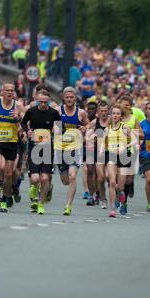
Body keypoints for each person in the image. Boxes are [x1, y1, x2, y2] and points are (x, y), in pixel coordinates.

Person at [0, 82, 26, 213]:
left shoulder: (18, 105)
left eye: (12, 91)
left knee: (8, 174)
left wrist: (18, 118)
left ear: (14, 92)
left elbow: (26, 122)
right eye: (7, 90)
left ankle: (5, 199)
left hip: (11, 142)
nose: (9, 93)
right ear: (2, 91)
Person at [21, 89, 61, 215]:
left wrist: (57, 129)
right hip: (34, 147)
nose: (43, 104)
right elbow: (23, 123)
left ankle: (41, 204)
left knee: (44, 178)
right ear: (37, 100)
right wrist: (27, 130)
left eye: (45, 102)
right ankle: (33, 188)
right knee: (35, 177)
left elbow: (61, 127)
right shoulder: (31, 111)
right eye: (41, 102)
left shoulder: (54, 113)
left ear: (48, 101)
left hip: (48, 148)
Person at [53, 87, 89, 216]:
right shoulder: (57, 111)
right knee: (65, 181)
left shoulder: (81, 113)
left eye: (71, 97)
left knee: (72, 176)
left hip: (75, 148)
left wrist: (85, 129)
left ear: (75, 98)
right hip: (60, 149)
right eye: (67, 97)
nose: (69, 99)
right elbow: (50, 125)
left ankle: (68, 206)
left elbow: (88, 125)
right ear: (63, 98)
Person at [100, 104, 138, 217]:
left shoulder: (125, 127)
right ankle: (112, 209)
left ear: (121, 116)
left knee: (120, 186)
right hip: (111, 156)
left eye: (118, 113)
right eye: (114, 113)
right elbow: (103, 142)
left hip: (124, 156)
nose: (115, 115)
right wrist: (101, 150)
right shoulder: (107, 129)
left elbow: (135, 141)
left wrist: (124, 147)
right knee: (112, 182)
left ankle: (121, 196)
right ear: (110, 115)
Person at [87, 101, 110, 209]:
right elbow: (87, 137)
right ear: (98, 112)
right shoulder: (94, 123)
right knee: (100, 178)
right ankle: (101, 197)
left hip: (111, 152)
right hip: (98, 153)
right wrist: (92, 138)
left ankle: (114, 192)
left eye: (106, 111)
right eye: (101, 111)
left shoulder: (113, 121)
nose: (104, 113)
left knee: (109, 177)